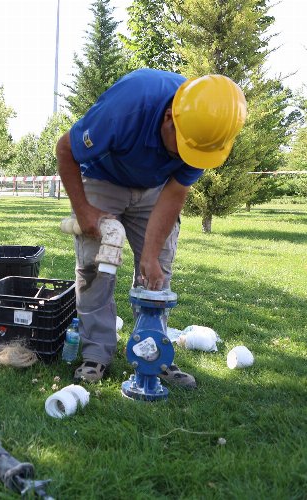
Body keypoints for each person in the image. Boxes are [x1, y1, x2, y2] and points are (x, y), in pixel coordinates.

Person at [55, 69, 246, 386]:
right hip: (104, 177)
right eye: (180, 147)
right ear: (170, 117)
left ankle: (152, 352)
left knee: (158, 271)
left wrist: (151, 255)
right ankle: (96, 354)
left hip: (156, 189)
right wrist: (84, 210)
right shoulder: (129, 105)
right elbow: (65, 149)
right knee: (94, 267)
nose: (185, 156)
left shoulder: (206, 135)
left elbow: (175, 191)